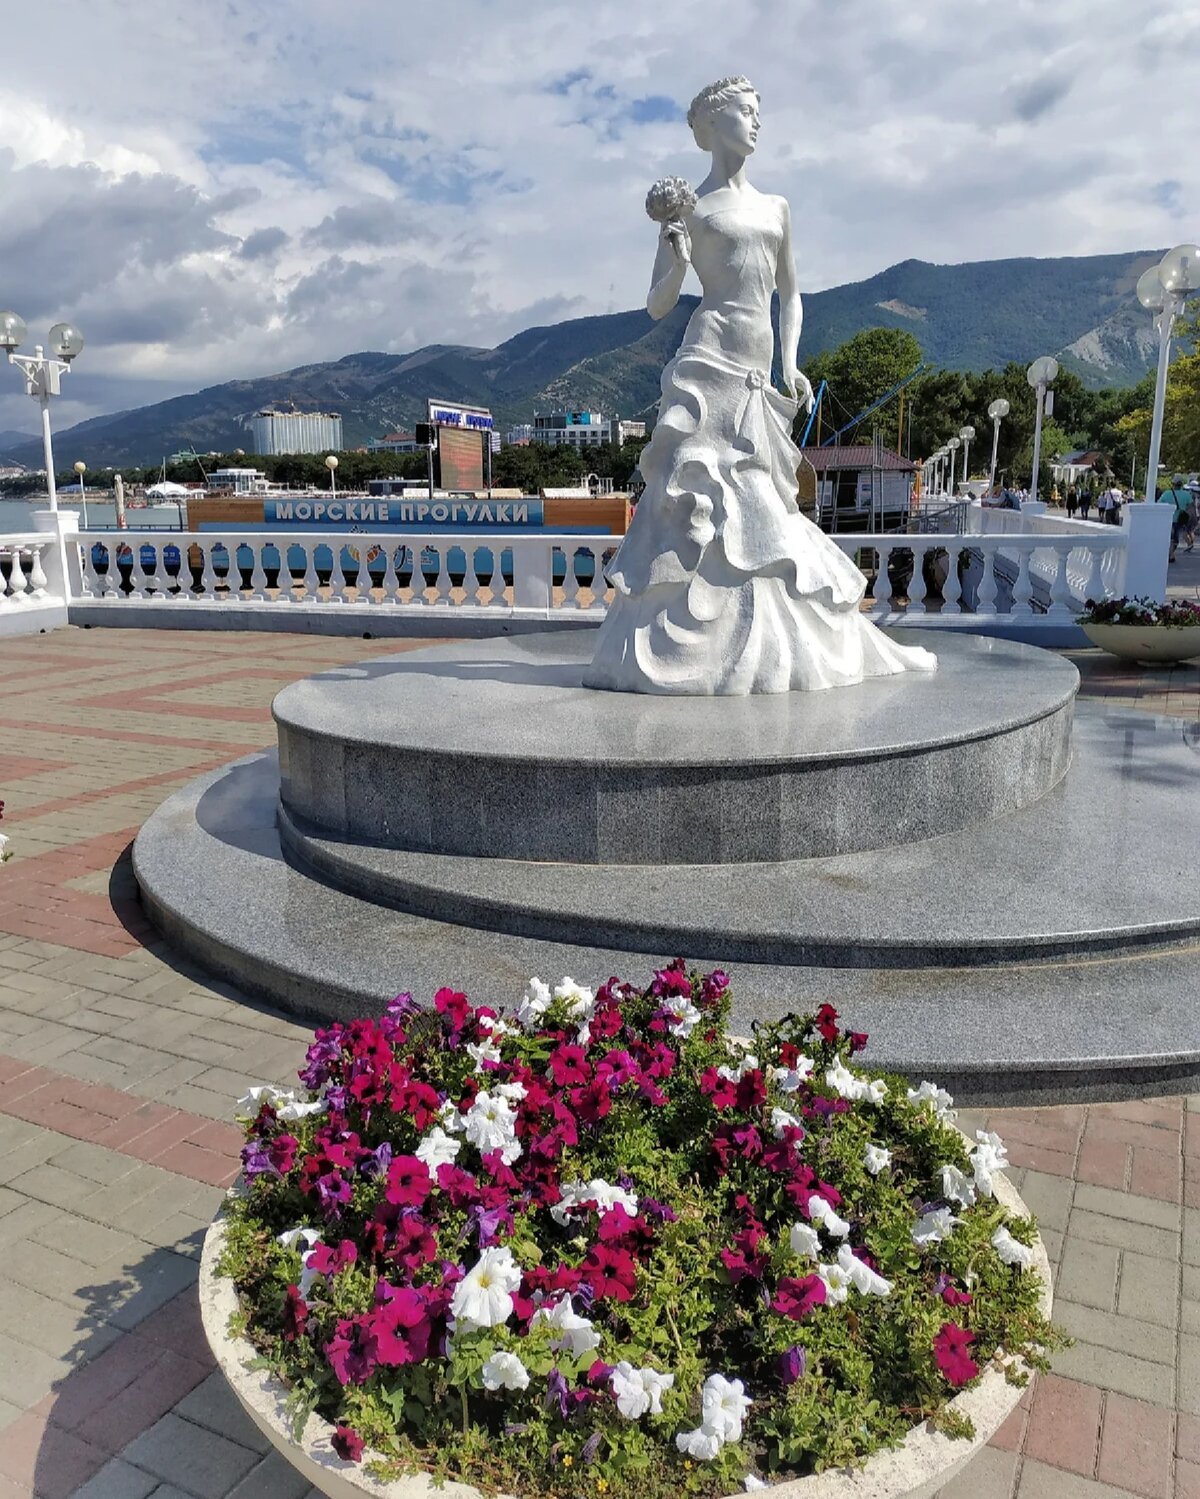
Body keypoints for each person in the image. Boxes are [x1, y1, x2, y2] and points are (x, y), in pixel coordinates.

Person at [584, 76, 936, 695]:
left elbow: (790, 294)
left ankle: (782, 642)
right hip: (706, 359)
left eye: (757, 112)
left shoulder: (776, 207)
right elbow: (659, 306)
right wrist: (673, 246)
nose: (756, 123)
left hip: (757, 372)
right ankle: (685, 645)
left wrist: (792, 363)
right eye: (746, 113)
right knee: (704, 499)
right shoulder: (692, 209)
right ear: (715, 126)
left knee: (766, 502)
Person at [1161, 475, 1195, 561]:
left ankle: (1170, 554)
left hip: (1167, 518)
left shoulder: (1167, 493)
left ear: (1173, 484)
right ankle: (1171, 554)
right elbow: (1191, 507)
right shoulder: (1186, 495)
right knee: (1175, 537)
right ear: (1181, 484)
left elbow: (1159, 504)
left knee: (1170, 537)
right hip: (1180, 519)